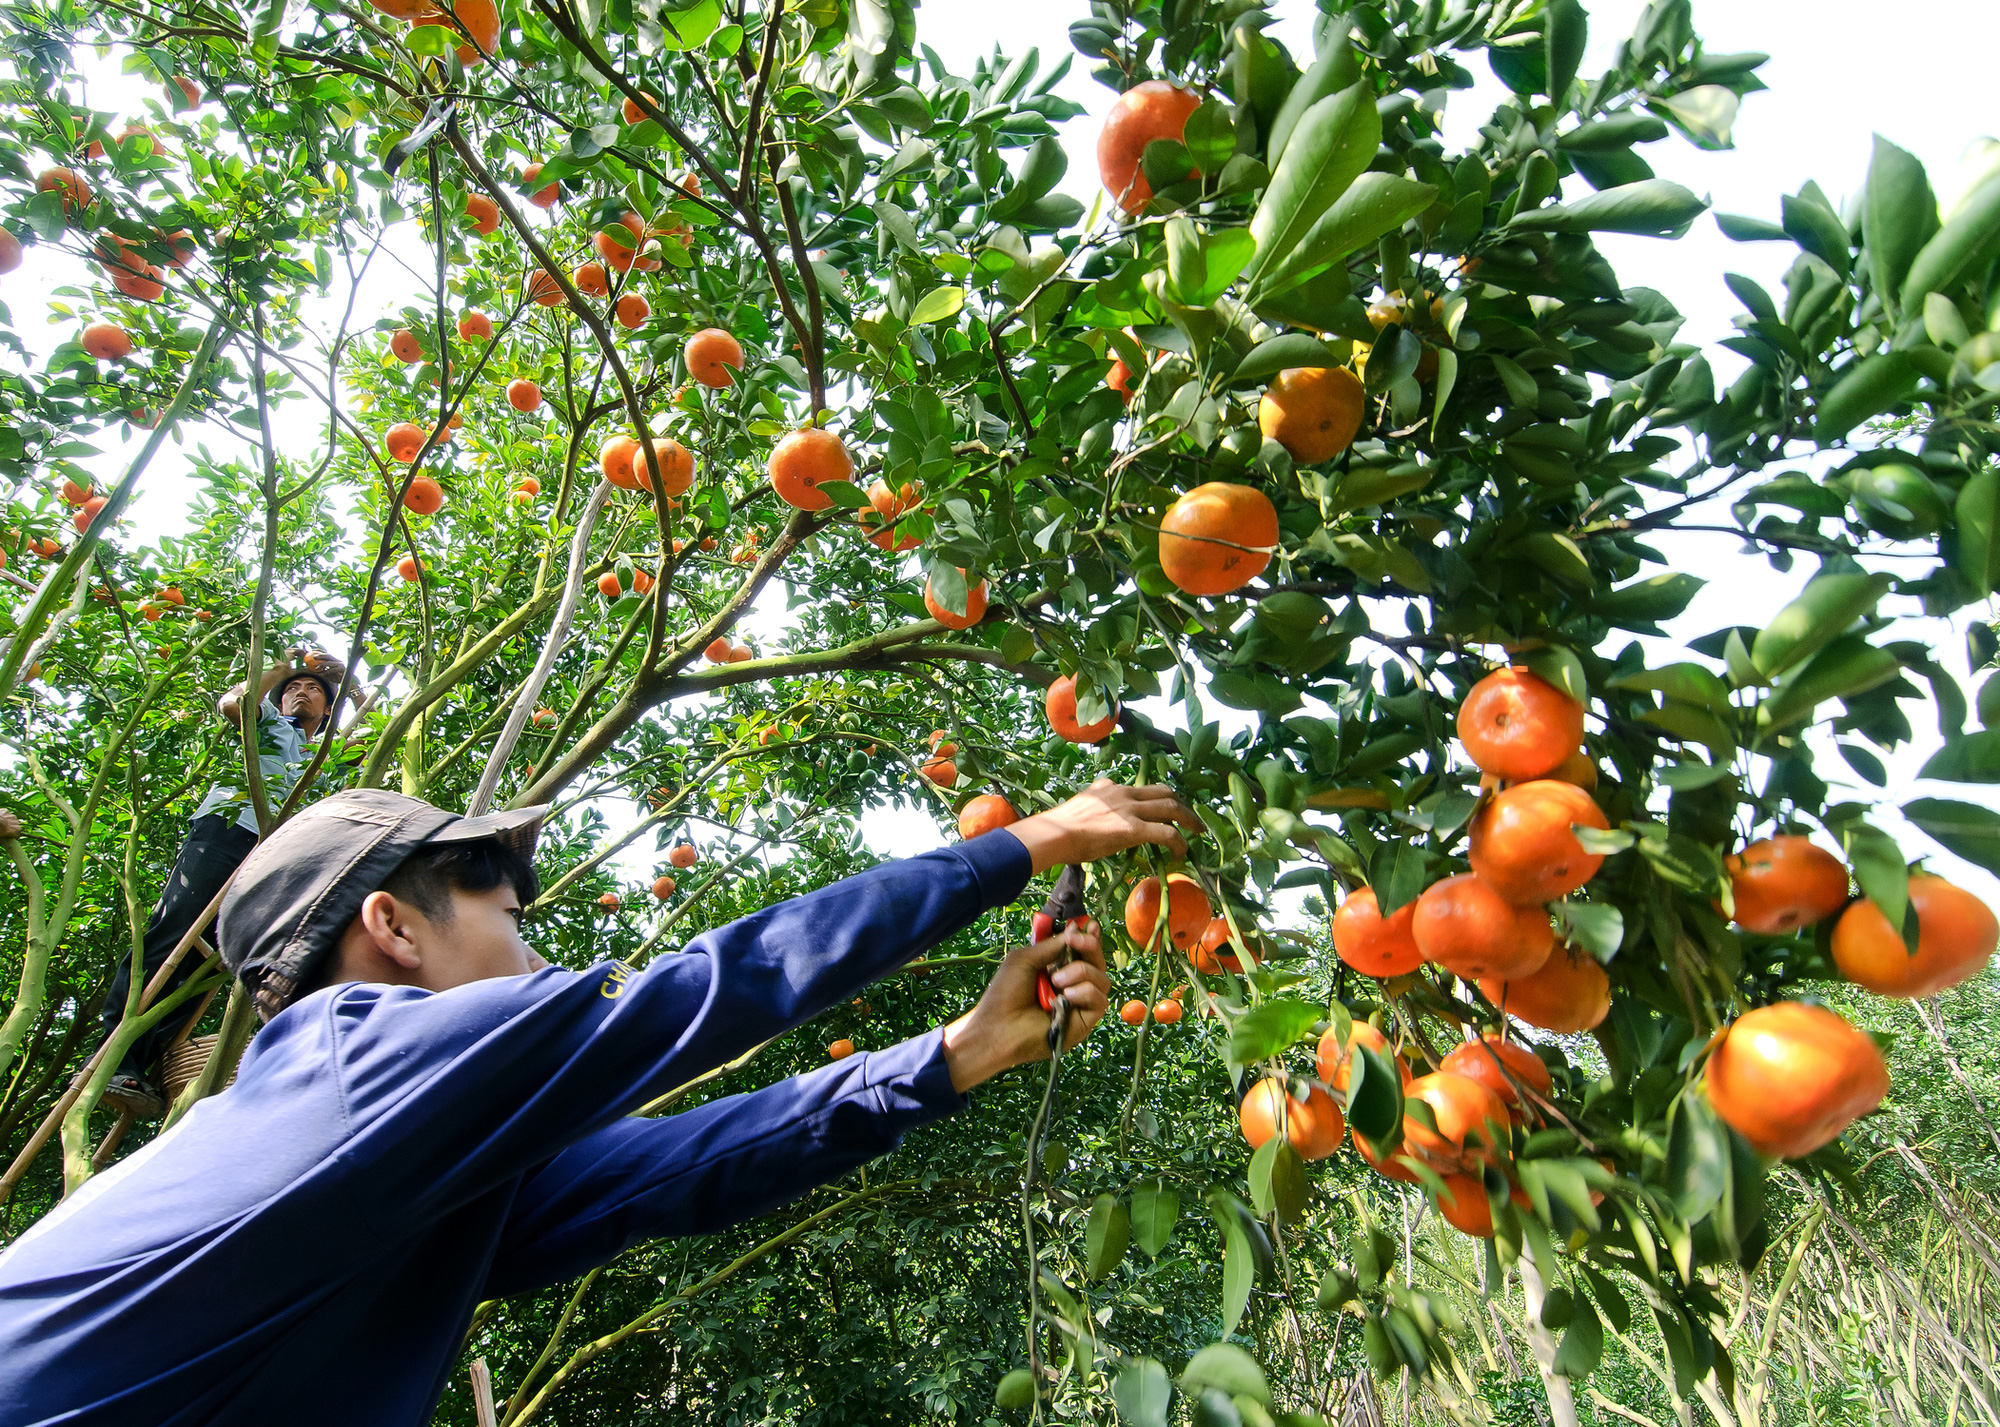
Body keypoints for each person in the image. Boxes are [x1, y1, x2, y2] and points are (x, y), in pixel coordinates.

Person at [0, 778, 1198, 1425]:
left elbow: (683, 1168)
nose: (533, 961)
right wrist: (1017, 846)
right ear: (392, 926)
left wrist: (958, 1051)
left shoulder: (405, 1176)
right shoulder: (354, 1065)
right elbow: (709, 988)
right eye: (509, 919)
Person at [99, 646, 349, 1115]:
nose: (300, 691)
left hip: (279, 851)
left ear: (328, 708)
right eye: (292, 688)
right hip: (228, 828)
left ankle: (147, 1063)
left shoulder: (327, 756)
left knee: (215, 961)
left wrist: (347, 679)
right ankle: (114, 1056)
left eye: (312, 688)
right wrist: (282, 664)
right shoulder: (269, 726)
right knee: (173, 932)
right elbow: (233, 704)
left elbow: (373, 741)